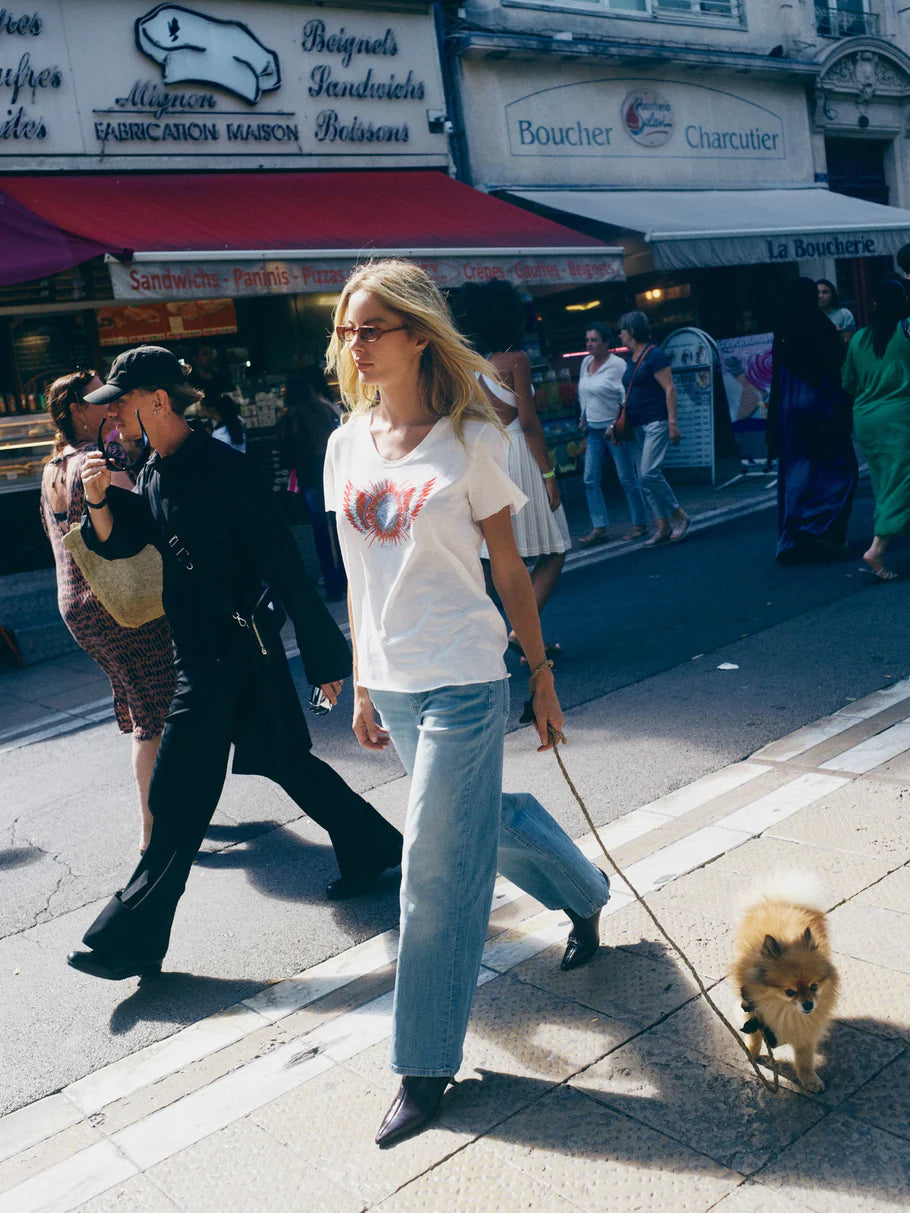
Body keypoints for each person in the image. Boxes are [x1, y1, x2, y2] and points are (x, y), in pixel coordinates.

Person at [323, 260, 610, 1147]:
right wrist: (364, 679)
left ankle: (424, 1062)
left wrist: (542, 675)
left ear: (417, 334)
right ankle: (584, 889)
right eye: (347, 330)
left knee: (435, 870)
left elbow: (512, 569)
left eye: (372, 328)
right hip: (400, 682)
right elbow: (358, 577)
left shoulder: (473, 436)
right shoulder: (345, 444)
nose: (357, 345)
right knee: (480, 814)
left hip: (465, 676)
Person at [66, 346, 403, 983]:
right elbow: (131, 538)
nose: (112, 420)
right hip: (206, 653)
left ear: (157, 401)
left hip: (231, 654)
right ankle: (373, 845)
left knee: (176, 798)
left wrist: (325, 658)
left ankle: (130, 937)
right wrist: (100, 500)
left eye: (122, 405)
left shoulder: (226, 469)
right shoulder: (157, 469)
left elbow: (283, 561)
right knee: (283, 761)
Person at [40, 370, 175, 853]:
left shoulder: (52, 467)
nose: (111, 404)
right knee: (152, 715)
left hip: (75, 602)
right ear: (79, 409)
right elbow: (137, 524)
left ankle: (165, 812)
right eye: (99, 396)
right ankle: (152, 828)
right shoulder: (103, 458)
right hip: (121, 599)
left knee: (141, 702)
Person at [451, 280, 569, 650]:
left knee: (498, 555)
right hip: (520, 454)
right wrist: (550, 474)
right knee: (554, 550)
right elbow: (529, 422)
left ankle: (486, 633)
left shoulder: (472, 366)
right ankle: (521, 630)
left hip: (489, 457)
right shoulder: (516, 360)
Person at [767, 278, 858, 564]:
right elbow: (836, 365)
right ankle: (825, 530)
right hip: (821, 403)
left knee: (797, 469)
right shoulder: (822, 328)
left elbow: (778, 377)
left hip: (789, 409)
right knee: (838, 468)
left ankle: (796, 534)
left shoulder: (783, 330)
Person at [842, 279, 910, 580]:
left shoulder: (858, 339)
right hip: (900, 416)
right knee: (901, 481)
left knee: (886, 482)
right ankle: (877, 549)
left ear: (873, 305)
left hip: (866, 417)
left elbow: (848, 382)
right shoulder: (906, 330)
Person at [617, 311, 690, 546]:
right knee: (643, 477)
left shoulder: (654, 355)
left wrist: (672, 423)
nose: (619, 334)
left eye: (622, 330)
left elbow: (669, 388)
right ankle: (663, 525)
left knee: (649, 473)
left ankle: (679, 514)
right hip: (636, 425)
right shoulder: (632, 358)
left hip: (655, 422)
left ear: (632, 331)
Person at [576, 322, 648, 545]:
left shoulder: (617, 365)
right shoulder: (586, 362)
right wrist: (584, 417)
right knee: (589, 478)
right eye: (587, 340)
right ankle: (599, 527)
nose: (589, 344)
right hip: (594, 428)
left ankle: (640, 523)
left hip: (613, 427)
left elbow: (624, 395)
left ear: (607, 342)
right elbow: (584, 393)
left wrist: (615, 423)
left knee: (626, 476)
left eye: (594, 340)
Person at [278, 371, 347, 601]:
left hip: (310, 479)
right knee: (338, 529)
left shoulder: (291, 417)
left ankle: (332, 585)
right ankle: (346, 580)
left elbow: (286, 456)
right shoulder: (324, 410)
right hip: (332, 475)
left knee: (320, 533)